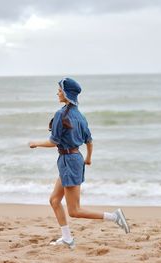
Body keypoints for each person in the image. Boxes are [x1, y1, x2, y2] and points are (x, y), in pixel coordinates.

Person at [29, 77, 130, 249]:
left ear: (67, 93)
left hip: (69, 160)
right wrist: (88, 158)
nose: (57, 93)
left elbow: (53, 141)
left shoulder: (62, 114)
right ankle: (67, 238)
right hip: (71, 160)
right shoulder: (80, 116)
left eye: (60, 90)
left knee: (74, 210)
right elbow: (89, 141)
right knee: (54, 200)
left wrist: (36, 143)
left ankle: (114, 217)